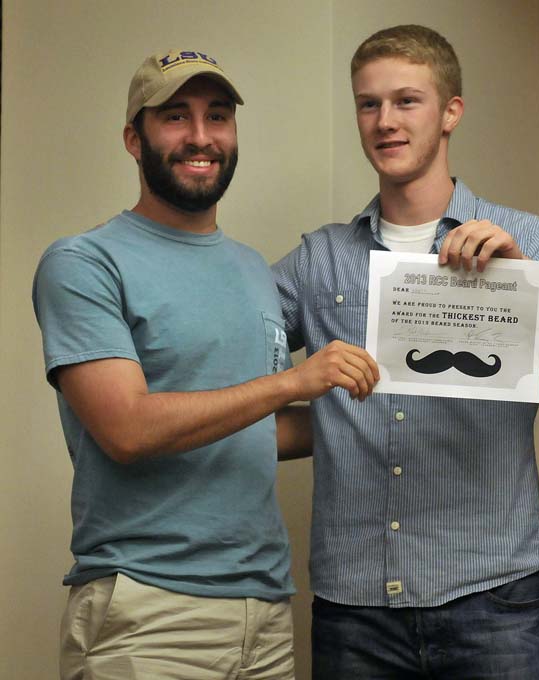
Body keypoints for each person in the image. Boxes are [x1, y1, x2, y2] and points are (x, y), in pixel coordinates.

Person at [273, 25, 539, 679]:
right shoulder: (315, 262)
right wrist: (310, 389)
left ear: (450, 112)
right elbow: (233, 395)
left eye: (407, 101)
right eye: (368, 103)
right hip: (353, 610)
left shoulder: (528, 237)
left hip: (496, 603)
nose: (385, 121)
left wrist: (527, 278)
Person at [32, 48, 378, 680]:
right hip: (148, 610)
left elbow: (250, 431)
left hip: (265, 609)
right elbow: (128, 430)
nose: (201, 137)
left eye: (218, 117)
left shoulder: (252, 269)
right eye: (175, 117)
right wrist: (296, 381)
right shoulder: (83, 263)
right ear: (133, 138)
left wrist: (383, 409)